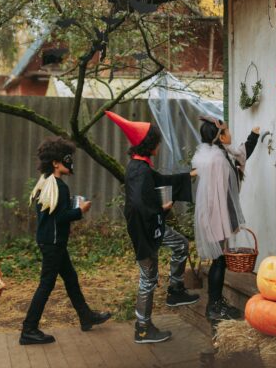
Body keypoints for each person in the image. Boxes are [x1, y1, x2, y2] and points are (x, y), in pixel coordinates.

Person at [104, 110, 199, 344]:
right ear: (149, 145)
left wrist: (189, 176)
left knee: (180, 245)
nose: (159, 145)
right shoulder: (139, 171)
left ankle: (175, 291)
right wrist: (161, 209)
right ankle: (143, 329)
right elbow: (136, 205)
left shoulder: (141, 167)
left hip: (150, 227)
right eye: (156, 142)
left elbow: (162, 181)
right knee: (148, 278)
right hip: (145, 231)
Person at [20, 137, 111, 345]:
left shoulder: (45, 182)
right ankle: (28, 329)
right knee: (46, 285)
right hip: (53, 244)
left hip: (49, 241)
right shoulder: (59, 187)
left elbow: (54, 215)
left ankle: (86, 316)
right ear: (55, 162)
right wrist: (80, 211)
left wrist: (72, 210)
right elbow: (60, 218)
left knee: (70, 278)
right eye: (67, 159)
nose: (71, 163)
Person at [192, 116, 260, 322]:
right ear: (219, 136)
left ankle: (216, 302)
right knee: (219, 261)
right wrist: (225, 220)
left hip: (212, 214)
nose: (230, 134)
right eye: (227, 131)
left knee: (218, 259)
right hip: (216, 214)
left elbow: (240, 153)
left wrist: (254, 136)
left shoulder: (215, 153)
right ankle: (214, 306)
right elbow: (221, 193)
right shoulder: (218, 159)